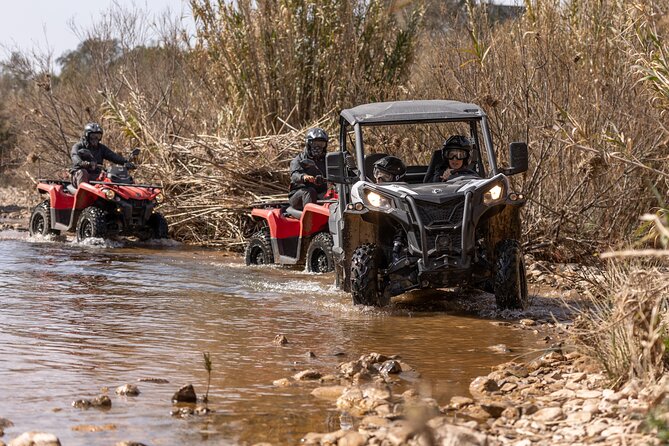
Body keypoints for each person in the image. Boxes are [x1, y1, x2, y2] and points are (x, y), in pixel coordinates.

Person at [70, 122, 133, 187]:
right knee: (82, 172)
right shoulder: (78, 146)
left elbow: (113, 156)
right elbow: (74, 155)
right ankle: (83, 195)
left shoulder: (101, 148)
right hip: (78, 176)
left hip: (96, 175)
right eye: (93, 136)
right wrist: (81, 162)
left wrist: (126, 162)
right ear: (87, 135)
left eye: (98, 136)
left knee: (109, 175)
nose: (95, 138)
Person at [372, 155, 407, 262]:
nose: (379, 179)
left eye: (385, 176)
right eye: (377, 174)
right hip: (384, 246)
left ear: (397, 177)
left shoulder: (407, 194)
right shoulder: (373, 193)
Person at [288, 127, 329, 211]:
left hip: (321, 194)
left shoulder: (328, 160)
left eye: (321, 144)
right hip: (299, 195)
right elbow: (294, 175)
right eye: (314, 143)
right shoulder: (299, 159)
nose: (317, 147)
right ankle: (311, 221)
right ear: (308, 144)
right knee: (310, 192)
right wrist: (304, 177)